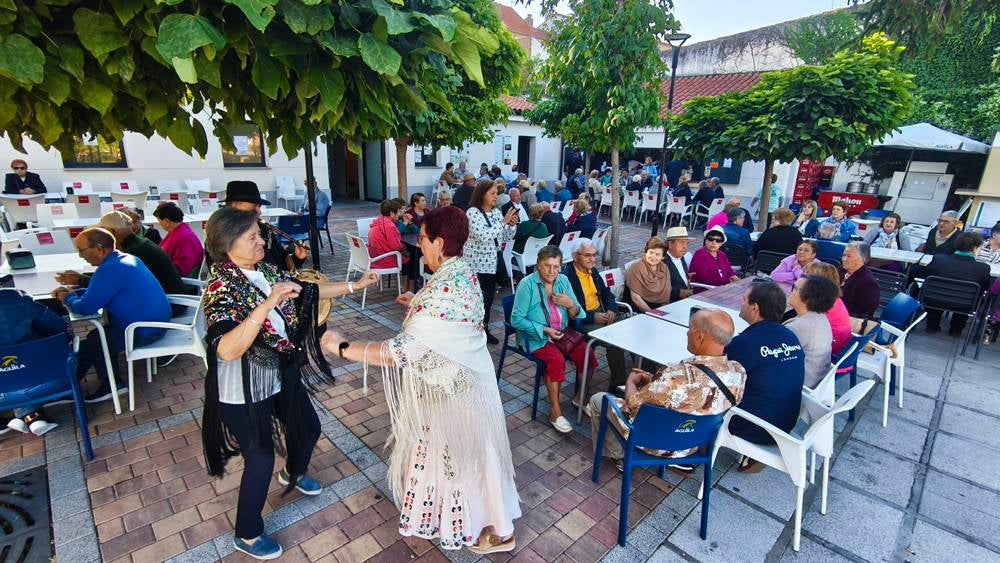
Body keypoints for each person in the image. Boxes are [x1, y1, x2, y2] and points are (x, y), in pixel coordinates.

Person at [321, 207, 520, 554]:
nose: (420, 245)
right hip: (461, 386)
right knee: (466, 458)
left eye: (423, 239)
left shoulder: (445, 289)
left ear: (440, 243)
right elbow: (446, 322)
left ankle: (500, 532)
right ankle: (481, 521)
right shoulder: (461, 272)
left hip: (458, 394)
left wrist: (339, 346)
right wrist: (416, 302)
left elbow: (398, 352)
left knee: (469, 460)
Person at [199, 207, 378, 560]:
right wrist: (267, 305)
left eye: (258, 233)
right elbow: (228, 349)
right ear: (227, 245)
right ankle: (247, 534)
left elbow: (306, 290)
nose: (260, 240)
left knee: (308, 427)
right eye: (250, 237)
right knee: (260, 457)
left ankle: (292, 472)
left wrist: (354, 285)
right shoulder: (221, 288)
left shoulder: (262, 269)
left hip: (279, 371)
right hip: (242, 387)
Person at [588, 309, 746, 475]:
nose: (687, 332)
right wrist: (655, 380)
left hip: (654, 442)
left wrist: (630, 382)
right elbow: (695, 395)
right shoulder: (738, 372)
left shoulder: (673, 375)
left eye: (690, 328)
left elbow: (633, 404)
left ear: (699, 336)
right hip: (692, 443)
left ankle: (618, 455)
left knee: (599, 399)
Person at [51, 228, 172, 403]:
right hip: (158, 322)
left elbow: (84, 308)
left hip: (143, 330)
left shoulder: (109, 270)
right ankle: (112, 382)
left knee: (91, 345)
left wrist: (66, 297)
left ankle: (66, 389)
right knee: (98, 337)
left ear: (99, 249)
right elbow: (103, 290)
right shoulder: (127, 258)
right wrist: (77, 293)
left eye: (82, 250)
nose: (80, 256)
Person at [512, 246, 594, 433]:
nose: (552, 271)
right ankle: (555, 412)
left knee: (587, 354)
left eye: (556, 266)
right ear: (538, 266)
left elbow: (578, 313)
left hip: (562, 334)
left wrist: (570, 304)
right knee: (556, 360)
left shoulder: (563, 280)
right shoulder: (528, 284)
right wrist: (544, 330)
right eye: (547, 266)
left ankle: (580, 398)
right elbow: (516, 319)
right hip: (536, 337)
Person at [725, 281, 805, 471]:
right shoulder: (789, 336)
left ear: (755, 308)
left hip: (754, 427)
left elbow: (718, 380)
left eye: (744, 299)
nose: (740, 302)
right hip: (786, 422)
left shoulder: (744, 343)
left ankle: (684, 453)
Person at [56, 211, 189, 298]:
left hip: (170, 302)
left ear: (112, 233)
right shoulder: (140, 244)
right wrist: (83, 278)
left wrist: (79, 280)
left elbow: (111, 284)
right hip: (168, 296)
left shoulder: (132, 253)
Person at [0, 288, 71, 435]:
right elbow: (58, 328)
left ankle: (26, 415)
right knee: (26, 369)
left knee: (11, 373)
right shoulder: (16, 298)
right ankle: (31, 416)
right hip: (43, 381)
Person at [564, 241, 628, 390]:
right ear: (575, 256)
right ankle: (619, 385)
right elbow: (569, 312)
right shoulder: (567, 278)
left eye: (594, 255)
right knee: (614, 341)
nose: (593, 259)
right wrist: (592, 317)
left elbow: (608, 295)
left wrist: (612, 309)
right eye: (588, 255)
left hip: (602, 314)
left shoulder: (594, 272)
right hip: (581, 322)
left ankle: (643, 374)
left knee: (629, 330)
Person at [466, 180, 517, 345]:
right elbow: (482, 236)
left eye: (497, 193)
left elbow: (503, 238)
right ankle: (471, 331)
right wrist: (503, 223)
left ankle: (484, 329)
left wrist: (511, 226)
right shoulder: (472, 213)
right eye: (492, 193)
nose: (496, 196)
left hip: (492, 263)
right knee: (475, 300)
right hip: (476, 264)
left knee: (488, 299)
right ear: (482, 194)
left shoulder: (495, 213)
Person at [224, 181, 307, 272]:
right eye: (254, 206)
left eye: (259, 207)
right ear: (233, 206)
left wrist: (297, 257)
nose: (259, 212)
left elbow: (280, 262)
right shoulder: (221, 235)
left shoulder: (263, 228)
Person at [923, 232, 992, 336]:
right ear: (975, 248)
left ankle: (931, 326)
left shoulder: (938, 259)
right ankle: (956, 330)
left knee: (937, 290)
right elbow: (986, 287)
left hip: (934, 299)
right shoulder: (983, 268)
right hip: (966, 304)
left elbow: (926, 274)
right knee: (971, 295)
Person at [785, 275, 837, 388]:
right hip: (817, 377)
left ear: (808, 298)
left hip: (802, 384)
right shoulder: (819, 317)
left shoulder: (801, 327)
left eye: (795, 287)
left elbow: (766, 353)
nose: (791, 291)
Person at [804, 262, 852, 356]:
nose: (802, 278)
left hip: (830, 348)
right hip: (839, 344)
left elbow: (805, 326)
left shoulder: (822, 301)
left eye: (807, 275)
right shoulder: (832, 297)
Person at [153, 202, 204, 277]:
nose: (159, 224)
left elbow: (183, 269)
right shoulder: (178, 231)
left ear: (167, 222)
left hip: (181, 282)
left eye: (159, 221)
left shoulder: (183, 237)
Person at [624, 238, 672, 312]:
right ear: (646, 252)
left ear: (663, 257)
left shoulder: (664, 268)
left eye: (657, 254)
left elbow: (665, 297)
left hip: (657, 311)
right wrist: (653, 314)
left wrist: (661, 312)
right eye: (651, 252)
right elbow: (636, 299)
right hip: (635, 311)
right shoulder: (636, 267)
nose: (653, 257)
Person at [839, 242, 880, 318]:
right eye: (844, 255)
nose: (844, 259)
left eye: (849, 256)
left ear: (863, 259)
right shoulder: (842, 271)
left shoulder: (867, 283)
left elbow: (865, 313)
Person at [368, 199, 410, 270]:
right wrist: (404, 246)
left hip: (374, 256)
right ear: (392, 213)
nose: (399, 214)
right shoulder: (389, 226)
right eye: (398, 211)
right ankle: (409, 280)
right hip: (384, 260)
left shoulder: (379, 221)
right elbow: (396, 247)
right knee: (413, 257)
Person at [664, 227, 694, 303]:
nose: (685, 247)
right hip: (670, 303)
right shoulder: (662, 261)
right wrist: (680, 292)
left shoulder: (682, 257)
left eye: (687, 243)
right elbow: (659, 287)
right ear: (670, 244)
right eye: (681, 242)